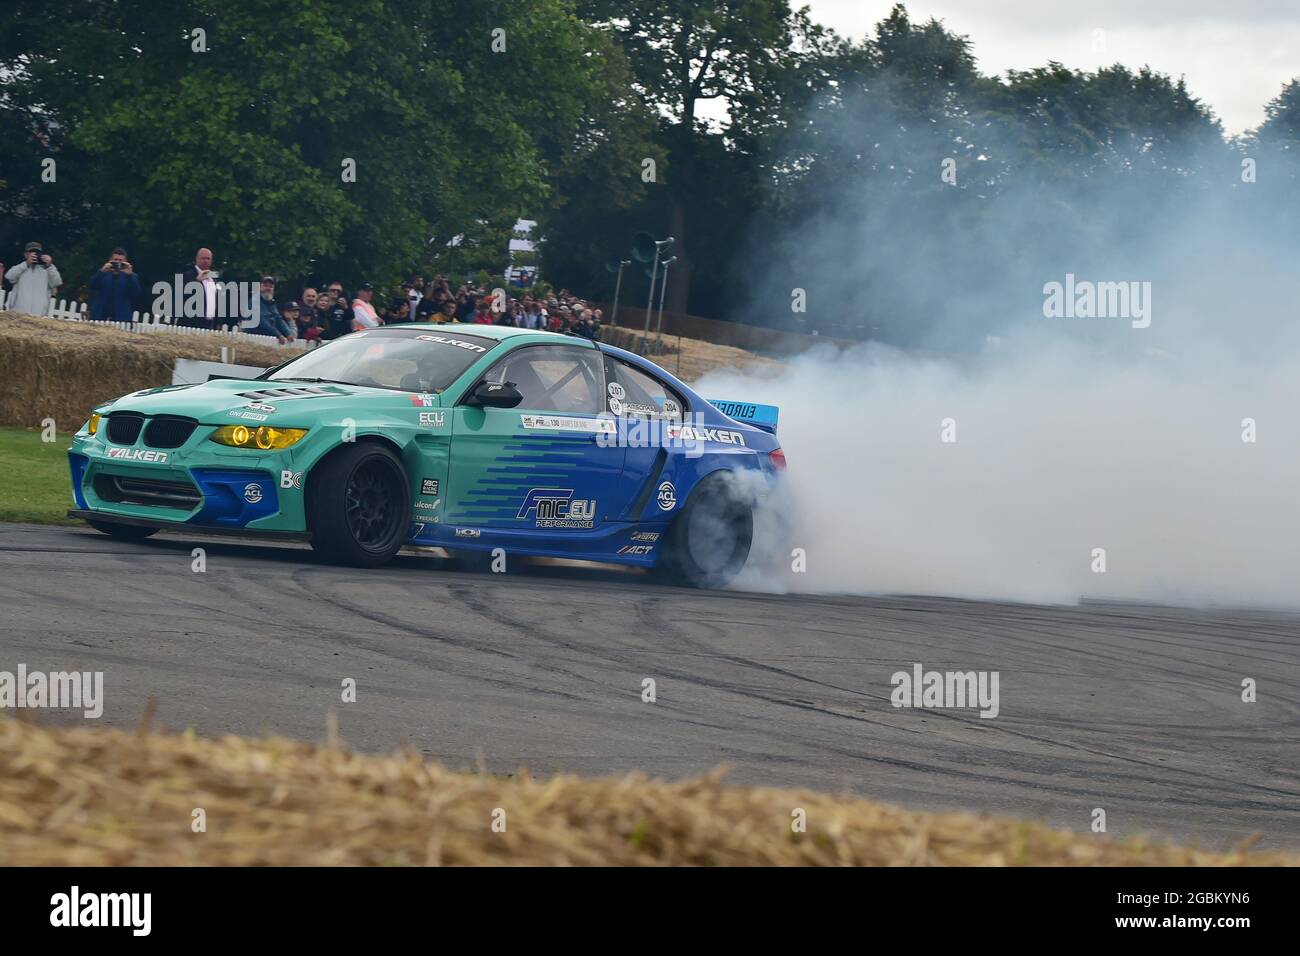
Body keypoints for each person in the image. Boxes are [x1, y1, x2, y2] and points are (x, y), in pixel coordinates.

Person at [5, 242, 62, 316]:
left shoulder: (47, 270)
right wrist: (26, 264)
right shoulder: (20, 268)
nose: (35, 254)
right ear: (25, 254)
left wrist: (49, 266)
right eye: (31, 252)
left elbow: (56, 282)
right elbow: (9, 276)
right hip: (18, 313)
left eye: (37, 252)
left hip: (39, 314)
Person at [89, 247, 142, 323]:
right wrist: (101, 272)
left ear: (125, 262)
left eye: (120, 260)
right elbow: (92, 285)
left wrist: (130, 276)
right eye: (115, 260)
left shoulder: (131, 276)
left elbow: (136, 293)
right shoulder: (103, 273)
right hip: (99, 315)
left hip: (121, 317)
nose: (117, 262)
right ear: (110, 260)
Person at [180, 247, 219, 328]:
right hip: (192, 323)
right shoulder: (187, 275)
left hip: (210, 323)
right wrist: (197, 281)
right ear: (197, 259)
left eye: (208, 259)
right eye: (203, 258)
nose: (206, 261)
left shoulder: (213, 277)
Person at [249, 276, 293, 342]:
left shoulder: (272, 303)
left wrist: (288, 333)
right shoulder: (254, 301)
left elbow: (278, 319)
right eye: (265, 286)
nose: (268, 288)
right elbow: (262, 321)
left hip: (267, 340)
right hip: (253, 339)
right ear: (260, 287)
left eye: (271, 286)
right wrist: (278, 334)